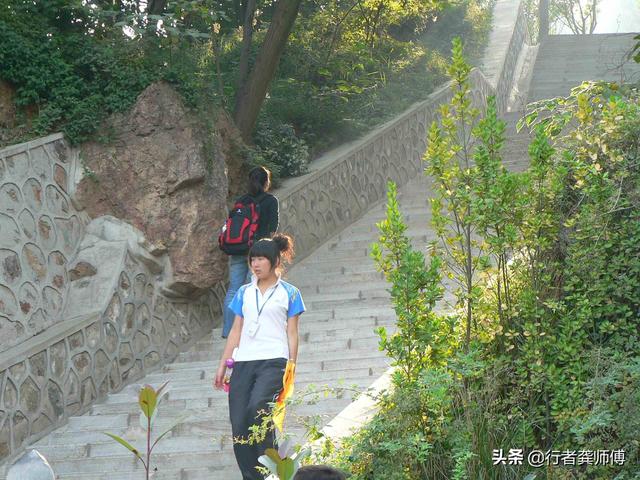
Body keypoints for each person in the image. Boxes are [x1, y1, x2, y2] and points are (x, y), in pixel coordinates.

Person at [214, 234, 305, 480]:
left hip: (274, 361)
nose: (255, 264)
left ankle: (270, 470)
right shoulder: (243, 292)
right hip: (243, 361)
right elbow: (236, 330)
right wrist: (223, 364)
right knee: (240, 421)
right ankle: (251, 477)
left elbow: (292, 332)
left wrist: (291, 365)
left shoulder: (290, 293)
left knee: (258, 410)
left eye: (261, 259)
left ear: (275, 261)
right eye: (252, 259)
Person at [222, 166, 279, 338]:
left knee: (233, 289)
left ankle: (227, 331)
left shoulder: (241, 200)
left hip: (236, 248)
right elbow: (273, 228)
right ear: (266, 182)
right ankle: (247, 329)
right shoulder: (270, 200)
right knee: (251, 288)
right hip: (257, 251)